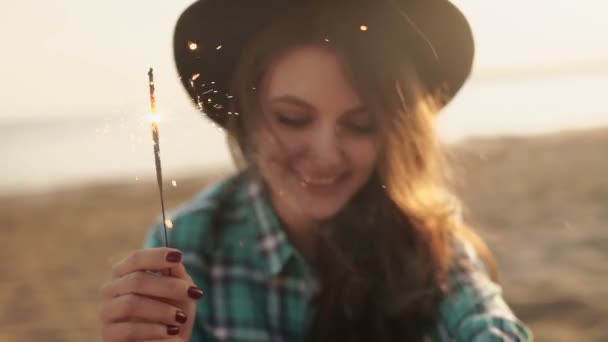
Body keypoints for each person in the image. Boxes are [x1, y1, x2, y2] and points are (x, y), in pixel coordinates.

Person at [99, 0, 533, 340]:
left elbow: (487, 324)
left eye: (361, 125)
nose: (327, 155)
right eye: (292, 118)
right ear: (246, 119)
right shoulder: (189, 247)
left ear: (394, 132)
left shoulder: (426, 241)